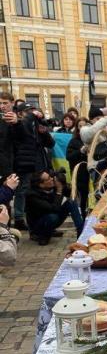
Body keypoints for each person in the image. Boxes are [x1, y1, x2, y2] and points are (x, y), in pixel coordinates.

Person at [12, 103, 55, 231]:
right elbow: (23, 132)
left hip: (40, 163)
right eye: (28, 111)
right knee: (25, 192)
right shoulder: (20, 124)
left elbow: (51, 144)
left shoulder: (36, 126)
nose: (32, 113)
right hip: (25, 165)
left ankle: (45, 223)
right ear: (20, 114)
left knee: (41, 193)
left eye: (33, 110)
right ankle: (22, 219)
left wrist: (44, 132)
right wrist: (32, 116)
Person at [25, 170, 84, 245]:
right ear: (41, 185)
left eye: (50, 177)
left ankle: (81, 233)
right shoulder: (32, 195)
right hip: (38, 225)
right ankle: (43, 236)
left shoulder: (52, 186)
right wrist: (59, 191)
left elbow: (70, 193)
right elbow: (53, 208)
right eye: (48, 179)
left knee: (70, 202)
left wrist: (63, 183)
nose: (52, 179)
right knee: (52, 217)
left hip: (51, 218)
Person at [66, 118, 91, 218]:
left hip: (91, 173)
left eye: (84, 126)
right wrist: (80, 151)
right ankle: (82, 220)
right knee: (82, 199)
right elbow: (69, 157)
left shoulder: (93, 139)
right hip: (80, 174)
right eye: (80, 126)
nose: (82, 128)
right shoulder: (74, 141)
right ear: (77, 128)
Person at [0, 92, 18, 188]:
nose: (2, 106)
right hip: (4, 163)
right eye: (0, 103)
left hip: (20, 162)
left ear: (12, 103)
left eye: (5, 103)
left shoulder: (20, 117)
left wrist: (17, 122)